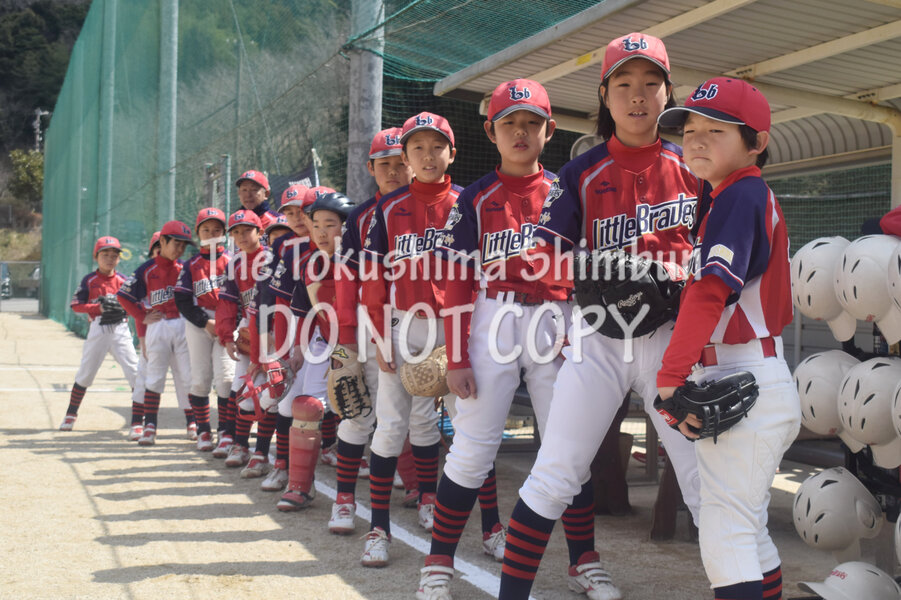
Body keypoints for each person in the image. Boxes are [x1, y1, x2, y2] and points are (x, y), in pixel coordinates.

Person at [498, 33, 702, 600]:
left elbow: (717, 253)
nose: (638, 96)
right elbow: (541, 257)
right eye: (624, 84)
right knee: (557, 471)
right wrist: (603, 269)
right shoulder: (581, 173)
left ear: (668, 93)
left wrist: (675, 274)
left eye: (651, 83)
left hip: (672, 341)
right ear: (605, 96)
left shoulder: (693, 166)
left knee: (703, 482)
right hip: (599, 338)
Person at [416, 79, 571, 598]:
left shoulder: (567, 190)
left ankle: (585, 562)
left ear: (549, 129)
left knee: (568, 446)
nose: (520, 132)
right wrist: (457, 356)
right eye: (509, 123)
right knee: (472, 447)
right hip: (493, 312)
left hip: (555, 315)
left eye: (531, 122)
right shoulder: (475, 197)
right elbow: (458, 281)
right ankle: (438, 564)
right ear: (491, 132)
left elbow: (582, 268)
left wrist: (577, 331)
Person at [654, 77, 799, 600]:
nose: (696, 139)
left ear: (756, 142)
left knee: (725, 533)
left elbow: (711, 291)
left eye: (716, 130)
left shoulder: (740, 193)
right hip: (755, 371)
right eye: (690, 129)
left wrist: (670, 376)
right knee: (748, 528)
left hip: (745, 371)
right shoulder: (730, 197)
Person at [358, 112, 463, 568]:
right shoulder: (388, 209)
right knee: (391, 425)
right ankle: (378, 528)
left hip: (457, 324)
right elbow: (374, 279)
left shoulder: (467, 202)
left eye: (436, 146)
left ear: (451, 153)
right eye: (417, 147)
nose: (427, 155)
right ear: (406, 156)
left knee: (470, 428)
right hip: (404, 323)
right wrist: (380, 335)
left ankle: (487, 525)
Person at [329, 128, 419, 534]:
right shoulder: (360, 217)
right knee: (357, 412)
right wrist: (345, 342)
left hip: (414, 325)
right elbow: (346, 284)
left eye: (401, 163)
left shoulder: (425, 209)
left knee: (417, 418)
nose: (394, 171)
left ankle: (425, 495)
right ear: (370, 168)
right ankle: (344, 501)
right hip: (367, 328)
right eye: (385, 164)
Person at [276, 191, 356, 511]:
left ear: (347, 227)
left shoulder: (364, 261)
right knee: (307, 406)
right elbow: (303, 312)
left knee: (383, 414)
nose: (321, 232)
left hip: (365, 345)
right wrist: (298, 349)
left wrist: (349, 352)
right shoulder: (311, 264)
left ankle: (417, 489)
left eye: (330, 224)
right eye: (316, 224)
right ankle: (299, 485)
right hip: (325, 342)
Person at [117, 221, 195, 446]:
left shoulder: (185, 268)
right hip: (158, 324)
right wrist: (141, 316)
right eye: (176, 244)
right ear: (162, 242)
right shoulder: (147, 269)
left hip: (182, 324)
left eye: (183, 246)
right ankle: (149, 425)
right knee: (154, 376)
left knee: (188, 376)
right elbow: (124, 295)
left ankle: (194, 423)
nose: (180, 250)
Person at [214, 209, 274, 468]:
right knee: (242, 388)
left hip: (276, 330)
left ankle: (262, 451)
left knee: (272, 392)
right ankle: (240, 444)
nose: (241, 236)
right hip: (249, 329)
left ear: (260, 232)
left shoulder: (272, 259)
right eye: (236, 232)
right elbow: (227, 303)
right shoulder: (235, 264)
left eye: (247, 230)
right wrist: (227, 336)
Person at [60, 236, 139, 431]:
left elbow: (135, 305)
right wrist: (98, 308)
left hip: (120, 329)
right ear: (96, 256)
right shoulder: (89, 280)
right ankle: (70, 414)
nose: (110, 259)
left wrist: (124, 310)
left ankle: (138, 420)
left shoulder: (124, 281)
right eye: (105, 254)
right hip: (98, 328)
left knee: (135, 373)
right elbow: (76, 305)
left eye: (114, 255)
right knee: (86, 373)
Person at [174, 208, 234, 451]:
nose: (211, 234)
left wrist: (226, 323)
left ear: (224, 233)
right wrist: (204, 322)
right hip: (199, 323)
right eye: (206, 230)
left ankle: (226, 431)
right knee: (199, 380)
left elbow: (241, 297)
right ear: (198, 233)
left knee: (226, 380)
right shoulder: (191, 265)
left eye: (217, 230)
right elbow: (182, 300)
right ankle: (203, 431)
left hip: (227, 322)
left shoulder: (232, 261)